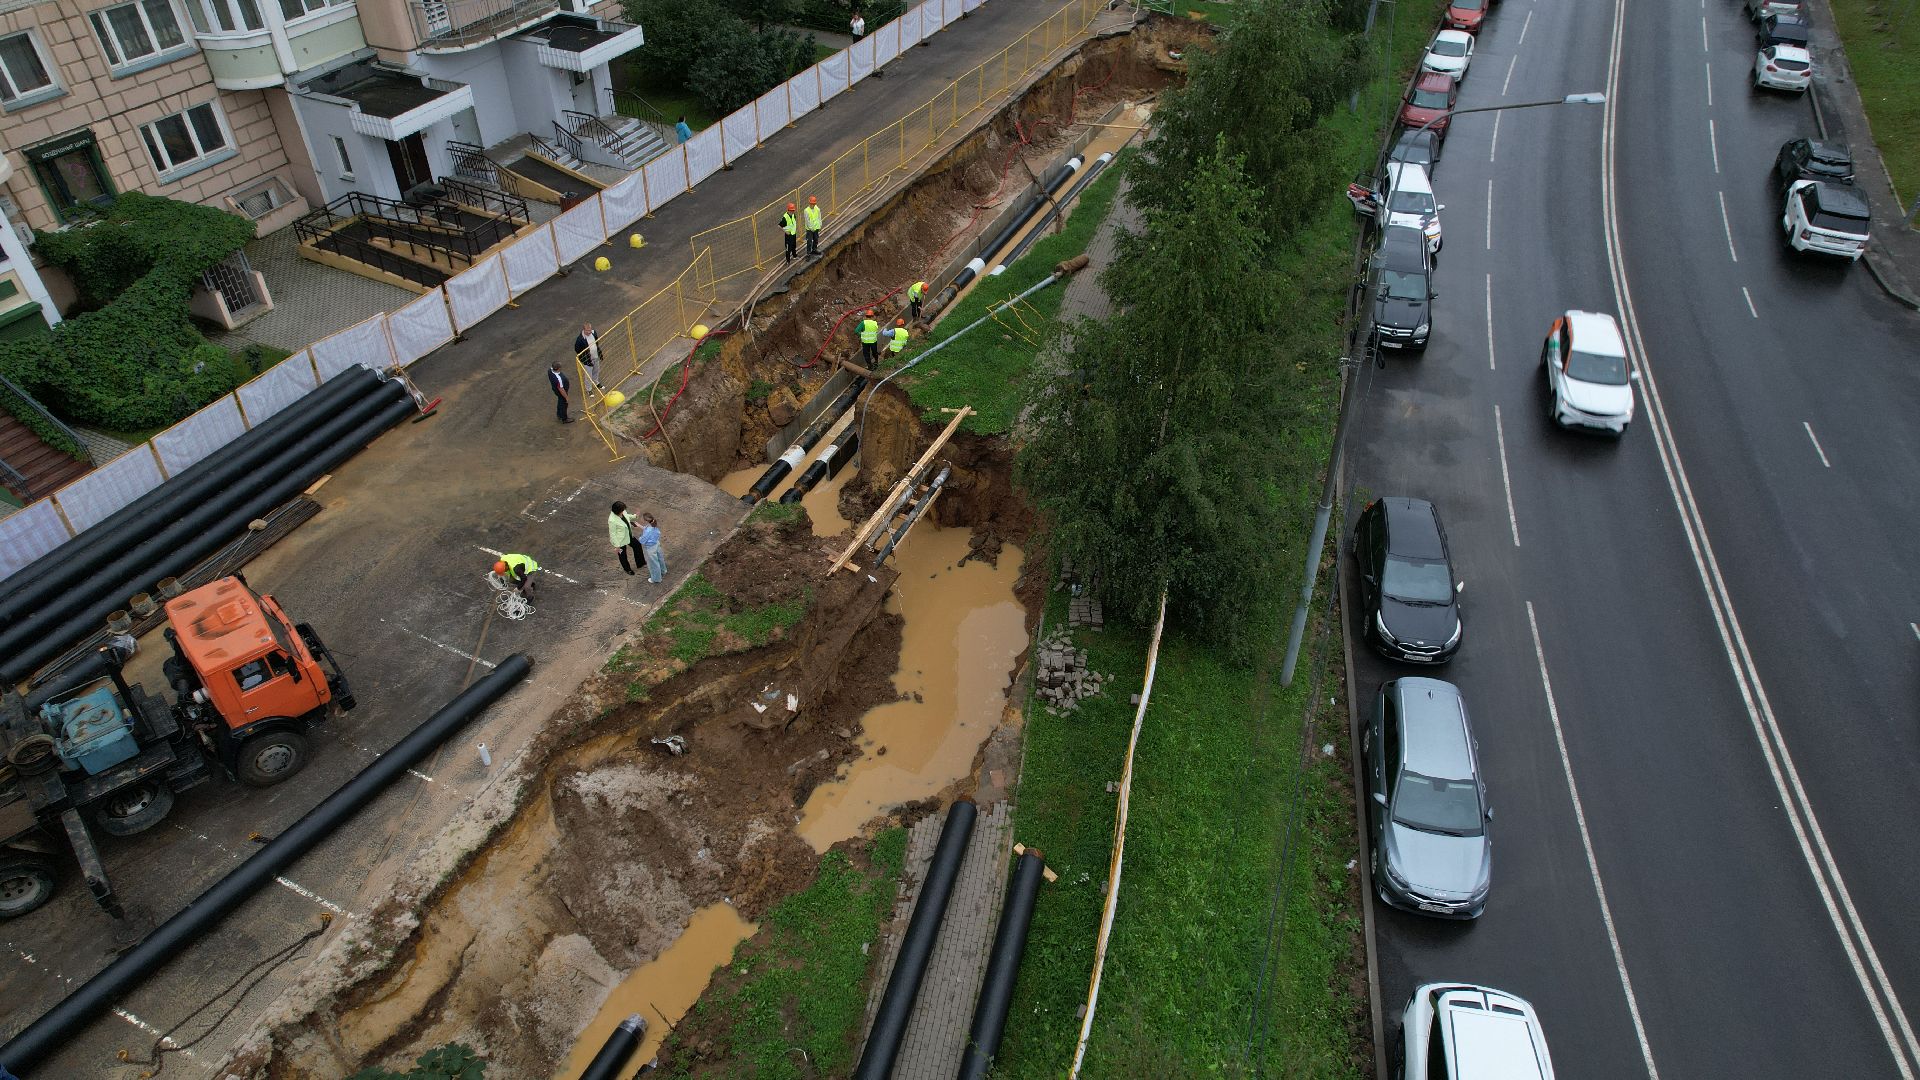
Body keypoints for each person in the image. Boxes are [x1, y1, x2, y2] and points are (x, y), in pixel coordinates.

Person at [608, 501, 644, 576]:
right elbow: (613, 534)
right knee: (623, 555)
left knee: (637, 546)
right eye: (622, 510)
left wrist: (635, 516)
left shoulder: (622, 511)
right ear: (618, 511)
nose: (624, 511)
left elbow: (627, 516)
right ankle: (627, 569)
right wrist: (617, 545)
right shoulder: (612, 520)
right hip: (620, 541)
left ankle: (640, 562)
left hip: (628, 535)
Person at [574, 323, 604, 391]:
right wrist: (584, 359)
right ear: (584, 330)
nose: (589, 332)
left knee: (596, 370)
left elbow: (597, 343)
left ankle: (596, 382)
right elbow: (577, 349)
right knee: (588, 375)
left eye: (590, 330)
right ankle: (589, 389)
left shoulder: (594, 333)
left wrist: (599, 353)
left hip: (595, 356)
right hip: (587, 360)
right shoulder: (580, 339)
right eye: (587, 331)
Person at [638, 514, 666, 584]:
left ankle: (656, 579)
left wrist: (639, 537)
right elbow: (647, 529)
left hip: (650, 548)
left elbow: (642, 541)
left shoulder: (648, 531)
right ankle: (663, 571)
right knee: (660, 559)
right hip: (656, 544)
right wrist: (639, 526)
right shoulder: (653, 526)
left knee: (653, 564)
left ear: (646, 521)